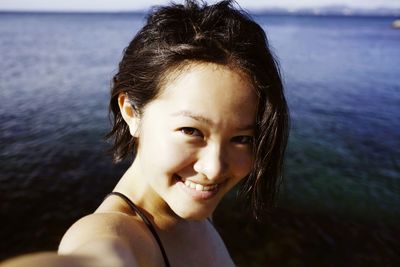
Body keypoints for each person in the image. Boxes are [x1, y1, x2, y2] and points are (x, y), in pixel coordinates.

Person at [0, 0, 288, 266]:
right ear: (131, 113)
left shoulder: (190, 205)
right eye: (191, 131)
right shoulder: (117, 234)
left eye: (242, 138)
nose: (213, 169)